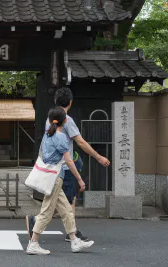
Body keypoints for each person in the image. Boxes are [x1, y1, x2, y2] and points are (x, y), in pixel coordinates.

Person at [26, 107, 94, 255]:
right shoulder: (61, 137)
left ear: (50, 121)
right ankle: (33, 243)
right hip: (55, 178)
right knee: (47, 212)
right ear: (65, 121)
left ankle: (74, 240)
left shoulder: (47, 135)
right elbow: (69, 161)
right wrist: (80, 179)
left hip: (51, 176)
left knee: (66, 210)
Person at [46, 87, 111, 241]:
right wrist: (99, 157)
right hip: (66, 167)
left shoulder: (48, 119)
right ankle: (72, 233)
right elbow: (80, 142)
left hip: (52, 165)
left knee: (59, 199)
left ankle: (69, 231)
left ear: (55, 101)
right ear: (70, 102)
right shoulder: (67, 120)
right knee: (69, 200)